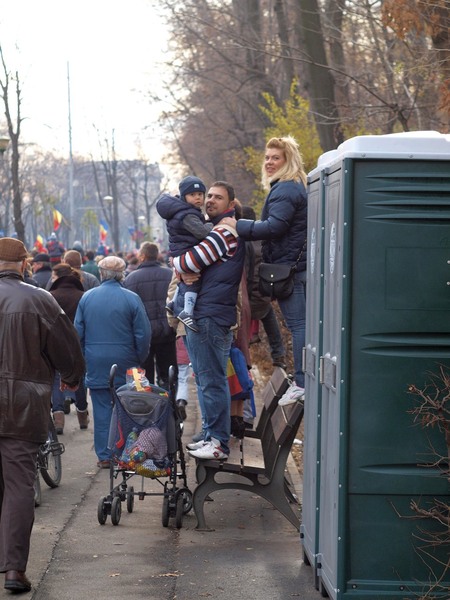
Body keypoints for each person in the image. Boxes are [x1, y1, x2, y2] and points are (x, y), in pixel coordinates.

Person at [0, 237, 84, 593]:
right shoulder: (39, 299)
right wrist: (72, 377)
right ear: (24, 264)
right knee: (19, 484)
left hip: (19, 402)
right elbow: (67, 348)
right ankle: (14, 570)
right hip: (23, 406)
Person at [174, 181, 245, 460]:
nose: (210, 200)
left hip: (209, 316)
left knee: (211, 381)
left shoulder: (224, 232)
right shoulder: (216, 229)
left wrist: (177, 266)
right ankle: (210, 435)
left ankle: (217, 442)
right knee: (207, 380)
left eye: (218, 197)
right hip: (209, 314)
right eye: (209, 196)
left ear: (230, 204)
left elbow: (189, 262)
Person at [237, 136, 307, 395]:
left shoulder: (285, 189)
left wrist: (239, 227)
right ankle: (303, 381)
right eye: (267, 157)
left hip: (290, 269)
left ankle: (302, 383)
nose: (268, 162)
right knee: (303, 325)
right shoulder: (294, 186)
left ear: (288, 161)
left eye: (275, 158)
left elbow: (275, 227)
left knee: (299, 326)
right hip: (296, 266)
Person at [74, 255, 151, 469]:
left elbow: (77, 333)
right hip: (126, 360)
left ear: (101, 273)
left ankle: (105, 455)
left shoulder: (87, 298)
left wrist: (85, 357)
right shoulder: (131, 298)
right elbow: (143, 334)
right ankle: (125, 451)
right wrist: (139, 358)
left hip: (96, 360)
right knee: (127, 407)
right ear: (121, 274)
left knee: (101, 410)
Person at [156, 175, 212, 332]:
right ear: (184, 196)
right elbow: (202, 232)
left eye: (200, 194)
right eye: (192, 195)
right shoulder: (187, 215)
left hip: (180, 251)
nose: (198, 198)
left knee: (183, 281)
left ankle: (173, 302)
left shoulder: (183, 211)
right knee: (193, 281)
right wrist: (210, 225)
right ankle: (187, 311)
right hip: (186, 251)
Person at [123, 242, 177, 395]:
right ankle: (168, 401)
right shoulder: (169, 275)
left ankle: (148, 403)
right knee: (168, 373)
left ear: (142, 256)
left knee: (144, 376)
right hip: (167, 331)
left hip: (142, 334)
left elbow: (128, 308)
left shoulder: (131, 279)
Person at [241, 205, 286, 368]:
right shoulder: (263, 240)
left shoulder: (242, 242)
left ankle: (244, 360)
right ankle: (278, 354)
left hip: (249, 296)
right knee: (268, 314)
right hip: (263, 292)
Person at [49, 263, 89, 434]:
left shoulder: (51, 296)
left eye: (53, 276)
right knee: (79, 376)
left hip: (55, 343)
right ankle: (82, 414)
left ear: (59, 277)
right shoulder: (83, 296)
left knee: (57, 378)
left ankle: (58, 418)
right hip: (78, 342)